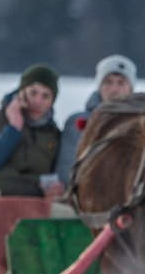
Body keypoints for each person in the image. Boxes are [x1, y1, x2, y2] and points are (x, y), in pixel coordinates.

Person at [0, 63, 63, 198]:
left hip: (36, 204)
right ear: (21, 92)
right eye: (33, 93)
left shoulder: (54, 135)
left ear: (52, 101)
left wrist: (57, 189)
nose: (38, 101)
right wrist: (13, 128)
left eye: (45, 96)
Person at [56, 54, 137, 188]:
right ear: (99, 86)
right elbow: (66, 167)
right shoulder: (79, 121)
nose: (114, 90)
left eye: (121, 83)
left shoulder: (140, 123)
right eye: (108, 82)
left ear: (130, 88)